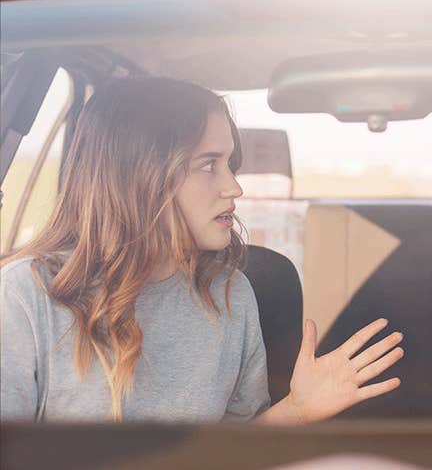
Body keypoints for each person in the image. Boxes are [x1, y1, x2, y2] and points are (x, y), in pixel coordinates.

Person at [0, 78, 404, 423]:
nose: (234, 187)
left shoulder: (229, 294)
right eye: (210, 165)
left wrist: (296, 410)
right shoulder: (25, 296)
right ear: (141, 176)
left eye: (230, 164)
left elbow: (231, 452)